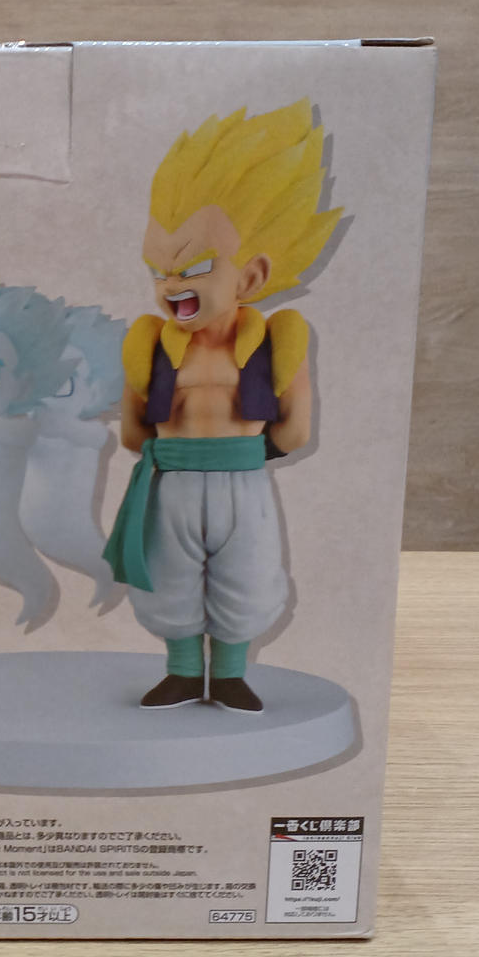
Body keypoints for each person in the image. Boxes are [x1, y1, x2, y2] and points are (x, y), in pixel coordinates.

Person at [104, 99, 342, 712]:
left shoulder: (278, 341)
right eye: (158, 269)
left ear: (251, 276)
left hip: (243, 482)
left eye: (194, 267)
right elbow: (132, 425)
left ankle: (231, 673)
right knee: (168, 578)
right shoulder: (149, 343)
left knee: (248, 575)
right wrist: (167, 452)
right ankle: (184, 672)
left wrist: (250, 452)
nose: (171, 284)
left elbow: (297, 423)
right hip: (172, 482)